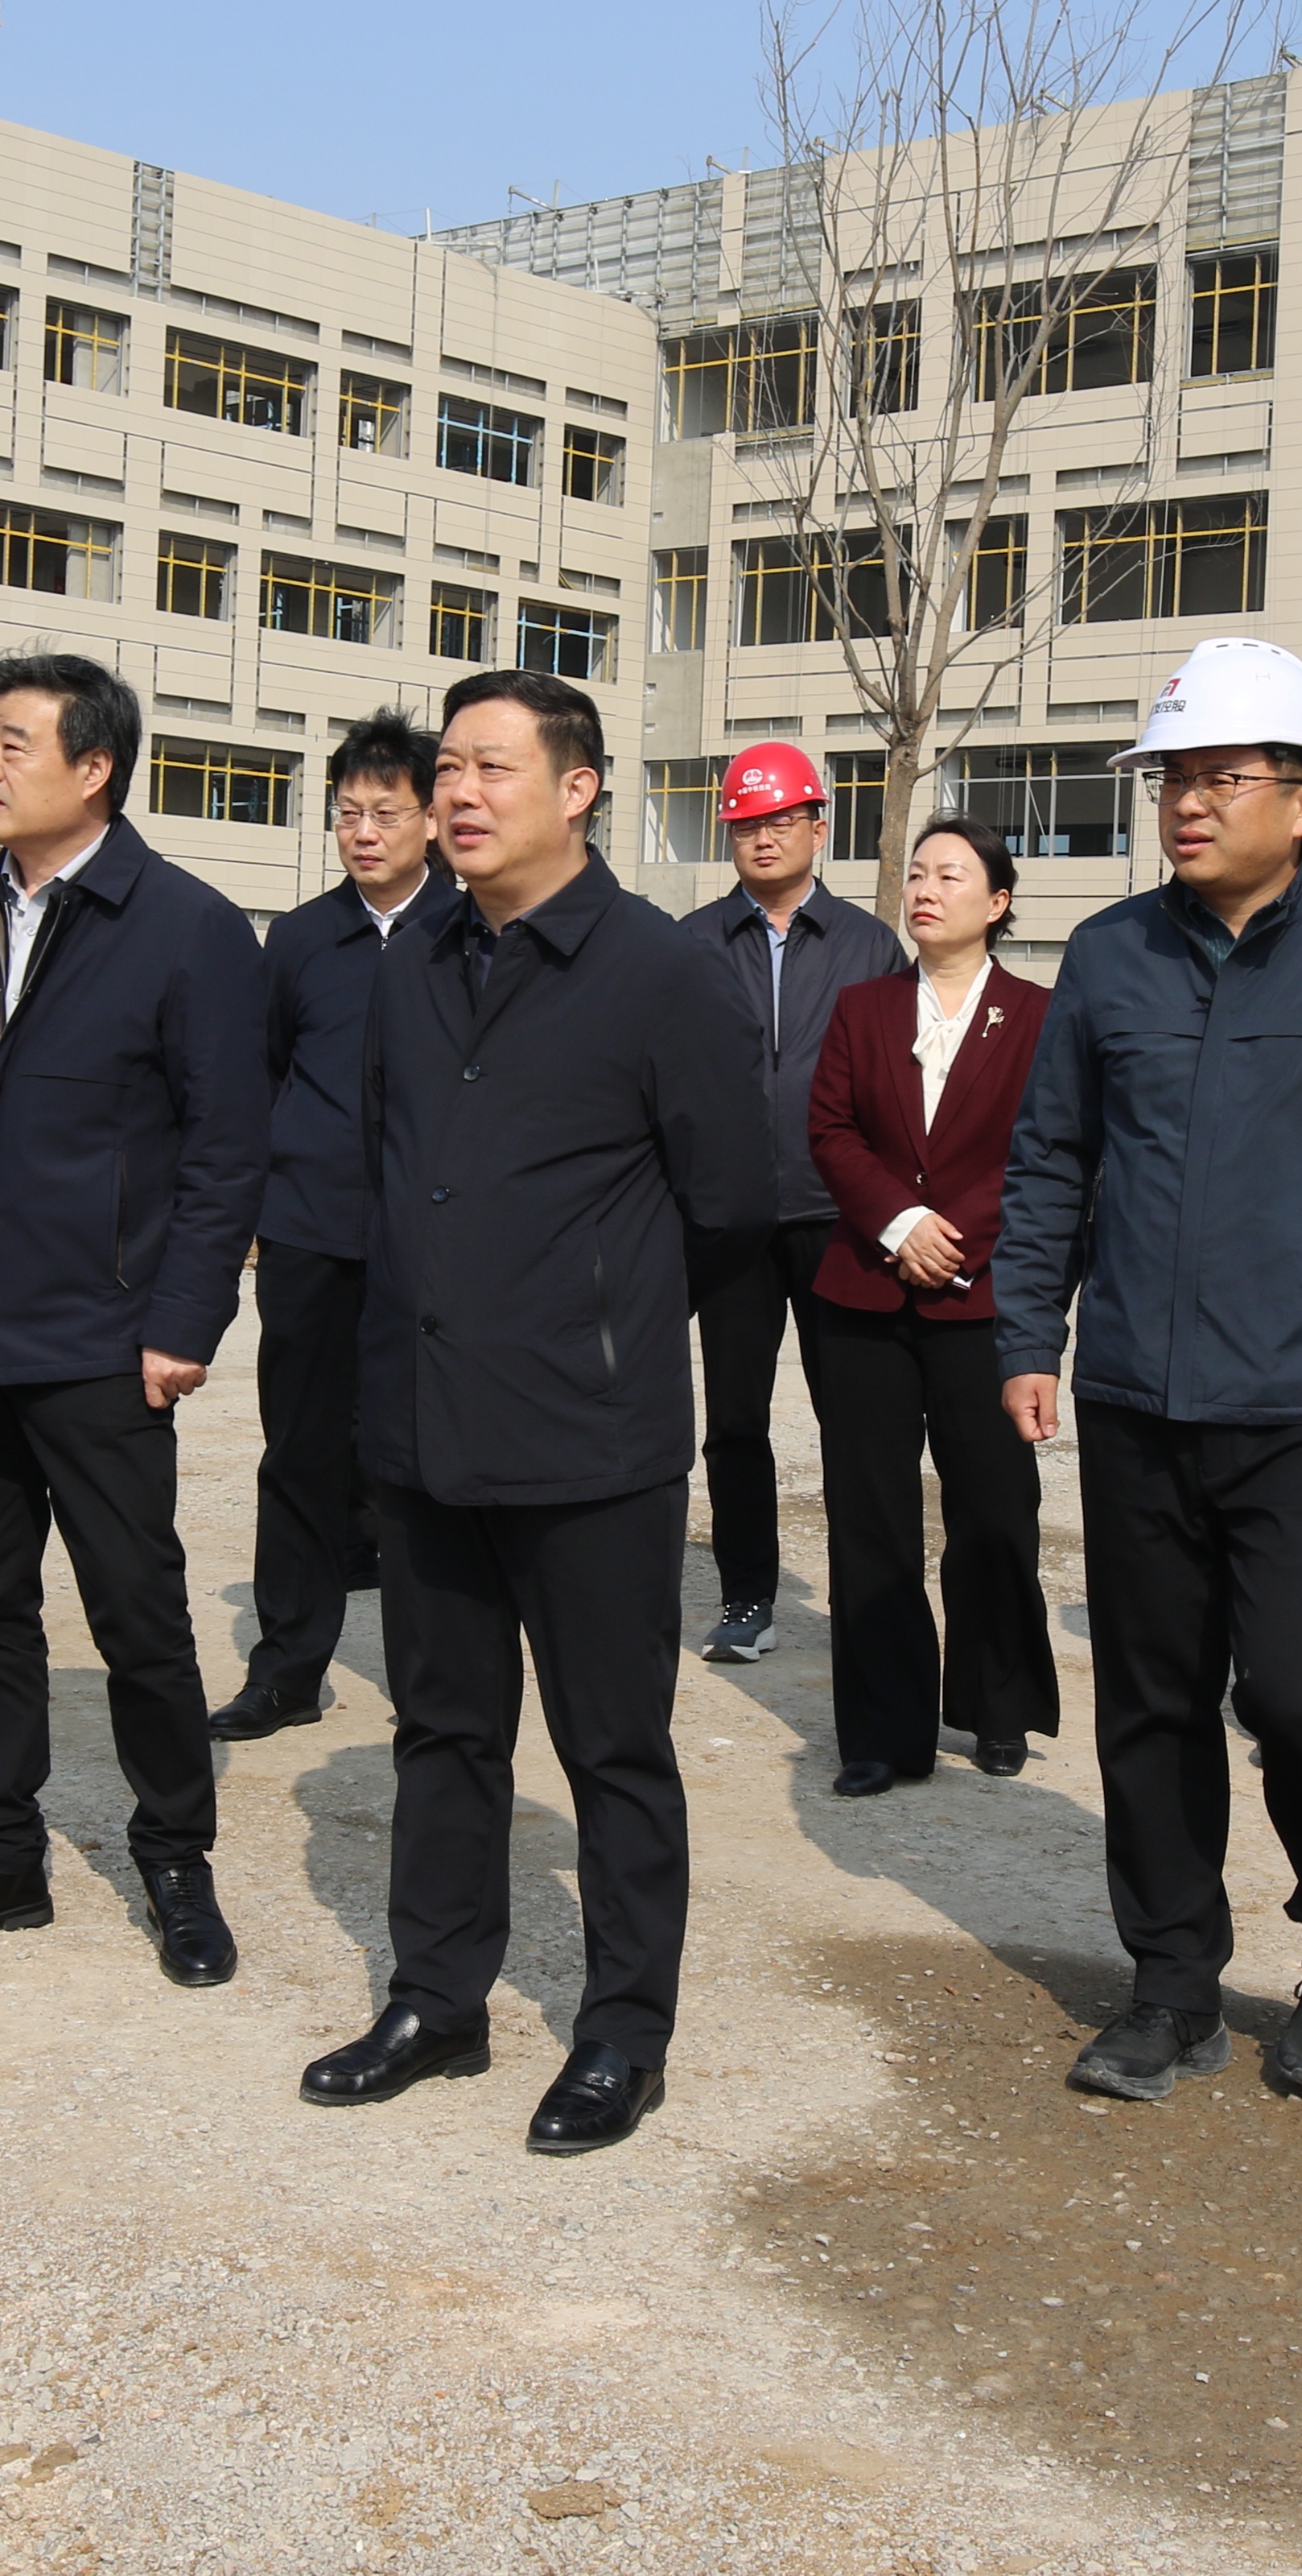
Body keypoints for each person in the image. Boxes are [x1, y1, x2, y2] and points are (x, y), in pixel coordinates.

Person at [997, 638, 1302, 2106]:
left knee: (1297, 1693)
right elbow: (1050, 1160)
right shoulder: (1110, 955)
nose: (1186, 804)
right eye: (1172, 779)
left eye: (1221, 777)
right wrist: (1028, 1334)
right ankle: (1170, 1983)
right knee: (1150, 1704)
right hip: (1137, 1398)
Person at [301, 671, 769, 2150]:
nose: (456, 793)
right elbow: (387, 1172)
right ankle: (437, 1997)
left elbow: (730, 1208)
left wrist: (601, 1329)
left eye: (491, 767)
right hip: (425, 1421)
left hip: (590, 1440)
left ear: (577, 790)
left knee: (612, 1747)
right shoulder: (412, 963)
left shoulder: (661, 973)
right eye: (448, 766)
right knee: (442, 1730)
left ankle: (623, 2032)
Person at [0, 651, 268, 1990]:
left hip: (102, 1342)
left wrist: (183, 1322)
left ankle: (176, 1858)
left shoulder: (187, 926)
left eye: (10, 742)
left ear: (94, 768)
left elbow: (225, 1152)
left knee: (138, 1614)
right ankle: (0, 1855)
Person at [805, 815, 1058, 1796]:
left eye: (951, 875)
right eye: (916, 873)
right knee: (869, 1513)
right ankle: (883, 1731)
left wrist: (949, 1234)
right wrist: (898, 1222)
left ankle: (997, 1706)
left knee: (995, 1509)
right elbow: (830, 1130)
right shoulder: (863, 1007)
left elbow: (1047, 1149)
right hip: (864, 1294)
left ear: (997, 902)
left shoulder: (1036, 1016)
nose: (925, 889)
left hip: (984, 1296)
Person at [212, 709, 447, 1743]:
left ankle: (432, 1683)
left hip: (432, 1245)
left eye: (386, 813)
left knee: (422, 1463)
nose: (364, 832)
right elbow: (262, 1074)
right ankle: (288, 1669)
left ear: (431, 819)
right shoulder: (301, 938)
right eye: (348, 813)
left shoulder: (470, 929)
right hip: (310, 1235)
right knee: (300, 1452)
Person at [680, 743, 906, 1662]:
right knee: (735, 1419)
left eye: (781, 821)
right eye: (746, 824)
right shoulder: (691, 943)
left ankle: (864, 1598)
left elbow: (895, 1083)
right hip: (731, 1221)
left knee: (852, 1416)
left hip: (836, 1215)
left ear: (819, 827)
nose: (763, 838)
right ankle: (747, 1599)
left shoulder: (868, 944)